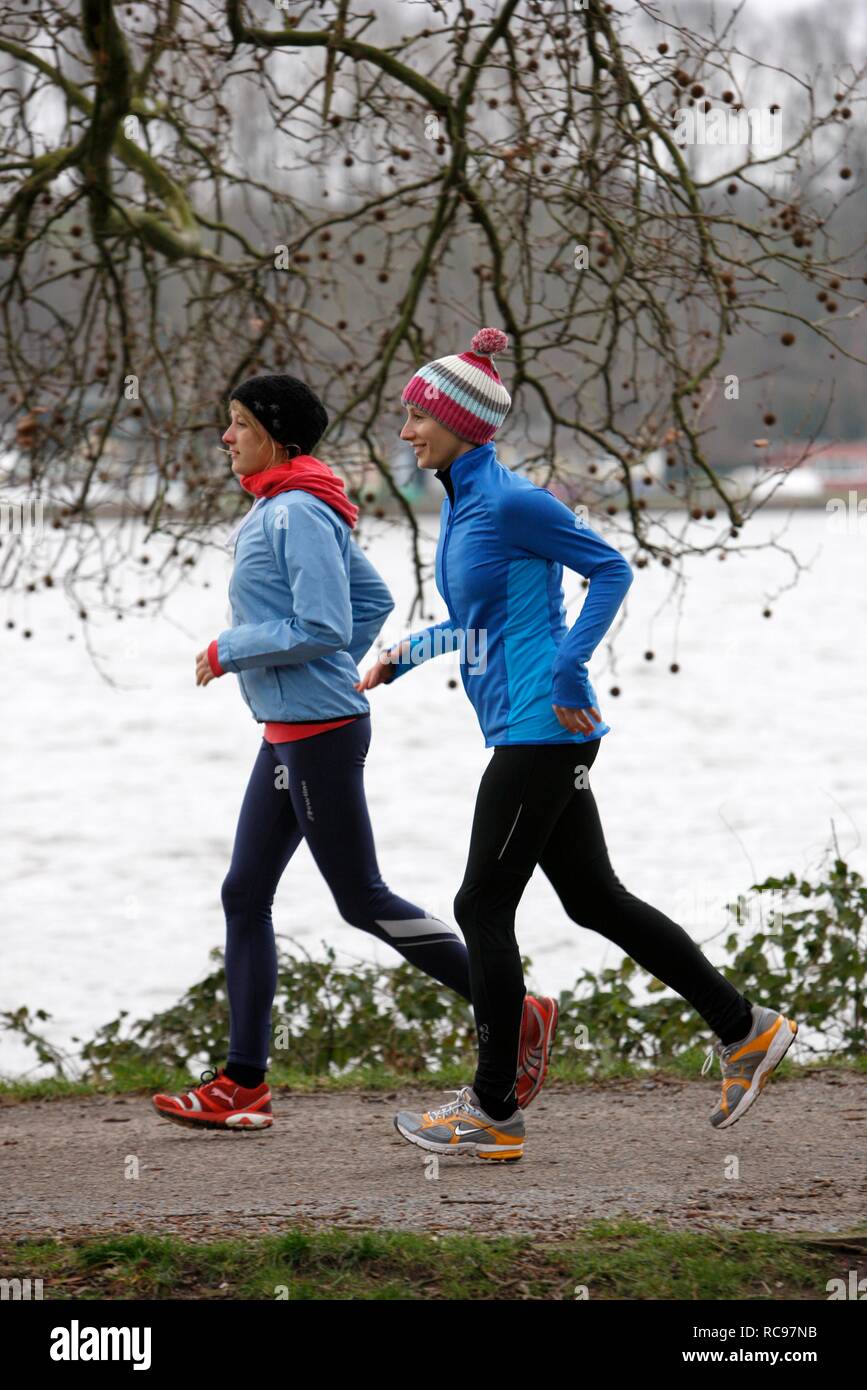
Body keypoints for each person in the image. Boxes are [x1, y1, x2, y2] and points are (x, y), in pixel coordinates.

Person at [357, 328, 798, 1162]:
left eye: (417, 416)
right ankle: (745, 1029)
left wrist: (566, 671)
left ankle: (490, 1112)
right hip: (531, 728)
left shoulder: (514, 501)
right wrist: (400, 657)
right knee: (593, 898)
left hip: (543, 730)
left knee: (478, 905)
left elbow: (611, 570)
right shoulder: (462, 502)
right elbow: (476, 622)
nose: (406, 430)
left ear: (460, 423)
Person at [151, 372, 556, 1132]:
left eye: (238, 423)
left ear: (278, 435)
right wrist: (312, 668)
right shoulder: (293, 503)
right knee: (244, 893)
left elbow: (326, 624)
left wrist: (229, 647)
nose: (226, 437)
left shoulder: (297, 510)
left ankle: (516, 1007)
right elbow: (368, 604)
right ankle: (243, 1084)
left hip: (319, 734)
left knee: (360, 897)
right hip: (292, 729)